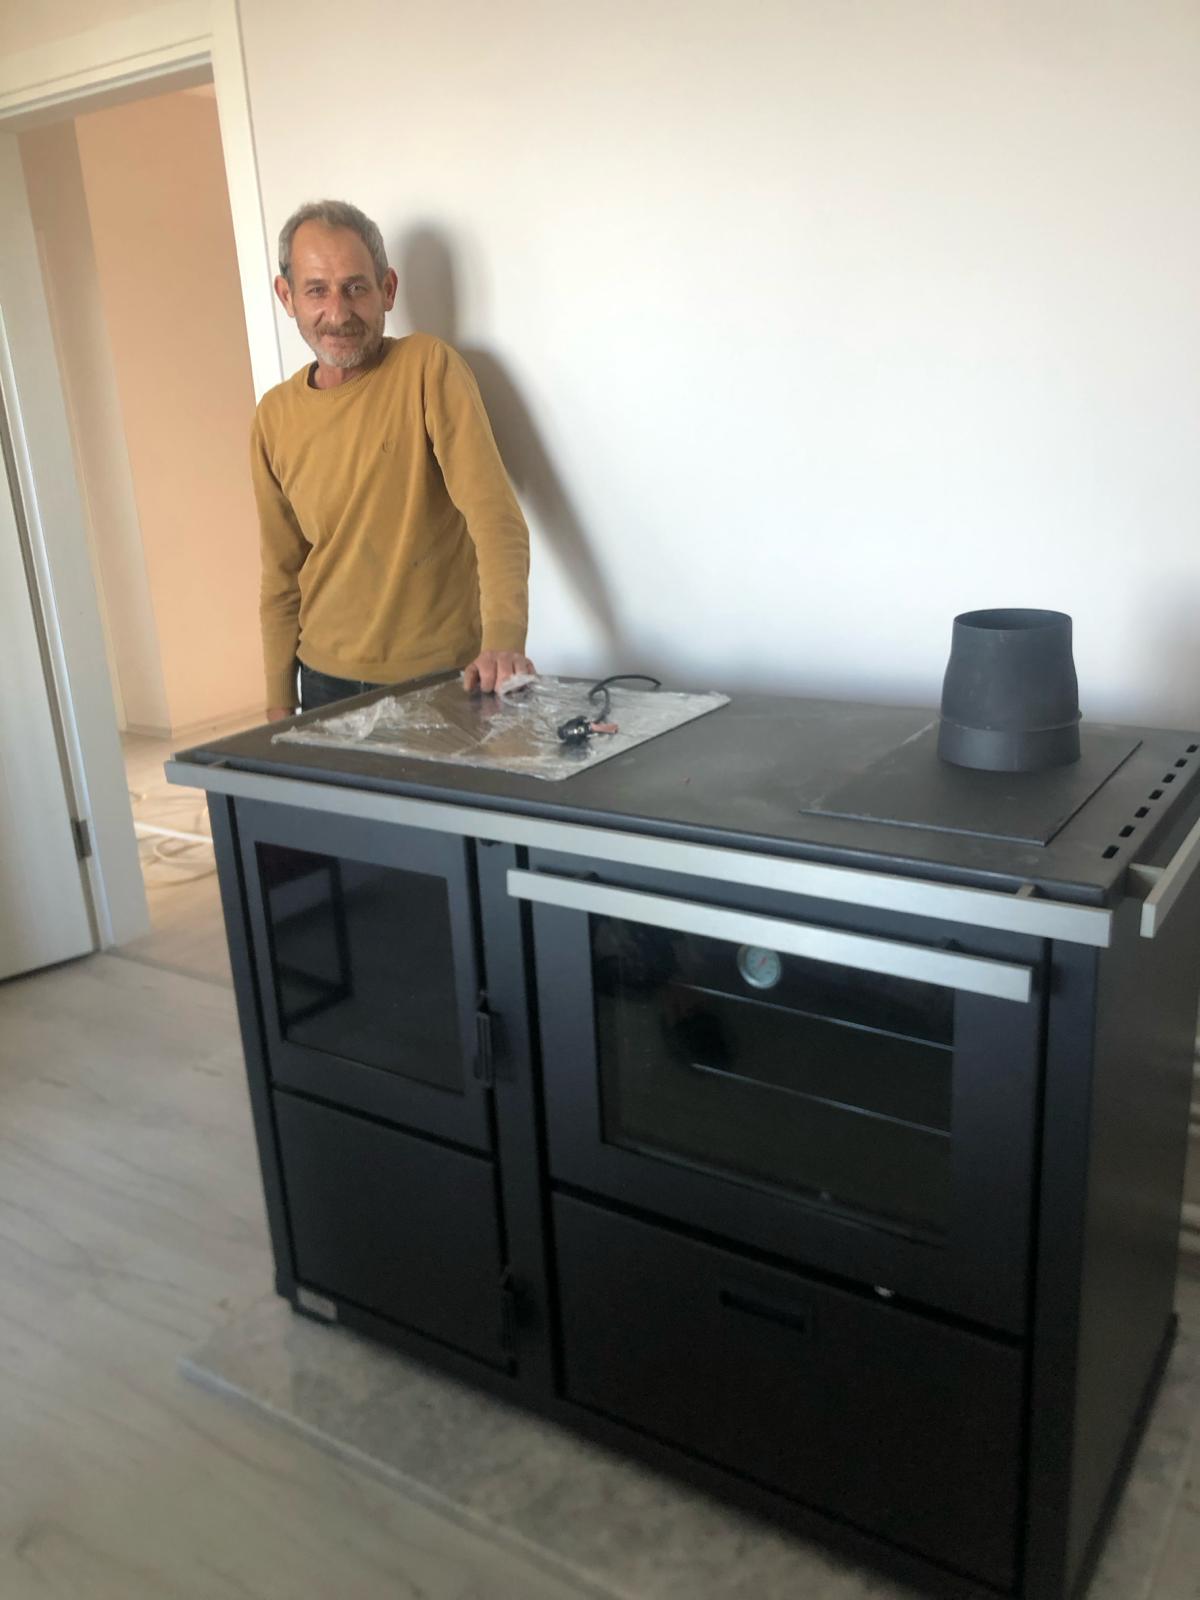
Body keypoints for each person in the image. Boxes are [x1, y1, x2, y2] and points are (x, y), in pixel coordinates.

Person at [250, 199, 533, 720]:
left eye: (356, 288)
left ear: (387, 289)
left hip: (441, 677)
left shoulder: (428, 368)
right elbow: (281, 574)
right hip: (323, 683)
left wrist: (503, 643)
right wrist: (277, 701)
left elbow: (496, 519)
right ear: (286, 296)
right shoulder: (273, 416)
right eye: (317, 290)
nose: (338, 313)